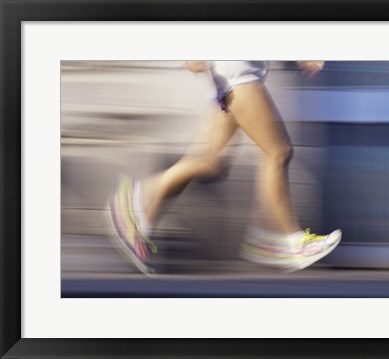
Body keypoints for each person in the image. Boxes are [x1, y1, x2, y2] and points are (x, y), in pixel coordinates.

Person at [107, 60, 342, 275]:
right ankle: (288, 241)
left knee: (210, 163)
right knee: (278, 152)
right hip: (238, 73)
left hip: (232, 75)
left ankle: (137, 214)